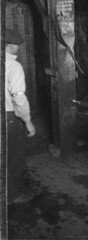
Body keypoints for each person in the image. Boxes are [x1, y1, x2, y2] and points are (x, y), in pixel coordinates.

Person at [5, 28, 37, 205]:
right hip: (8, 118)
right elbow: (18, 97)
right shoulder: (14, 66)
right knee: (14, 157)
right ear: (10, 46)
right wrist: (28, 121)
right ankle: (11, 195)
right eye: (17, 45)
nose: (18, 48)